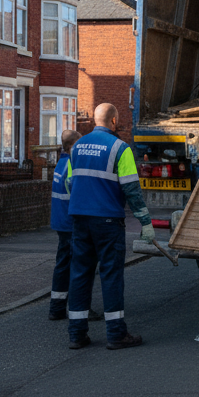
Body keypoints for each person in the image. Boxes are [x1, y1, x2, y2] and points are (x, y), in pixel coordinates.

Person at [64, 103, 156, 350]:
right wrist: (145, 222)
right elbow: (132, 190)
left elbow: (70, 183)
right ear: (113, 121)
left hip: (80, 220)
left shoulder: (77, 147)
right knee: (111, 275)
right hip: (107, 222)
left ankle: (76, 334)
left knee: (80, 274)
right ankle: (116, 333)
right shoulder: (120, 148)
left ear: (95, 120)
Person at [48, 130, 102, 322]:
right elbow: (79, 192)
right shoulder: (72, 163)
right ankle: (79, 308)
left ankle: (56, 307)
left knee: (62, 265)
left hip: (60, 221)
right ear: (73, 145)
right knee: (80, 267)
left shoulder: (60, 163)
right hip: (72, 223)